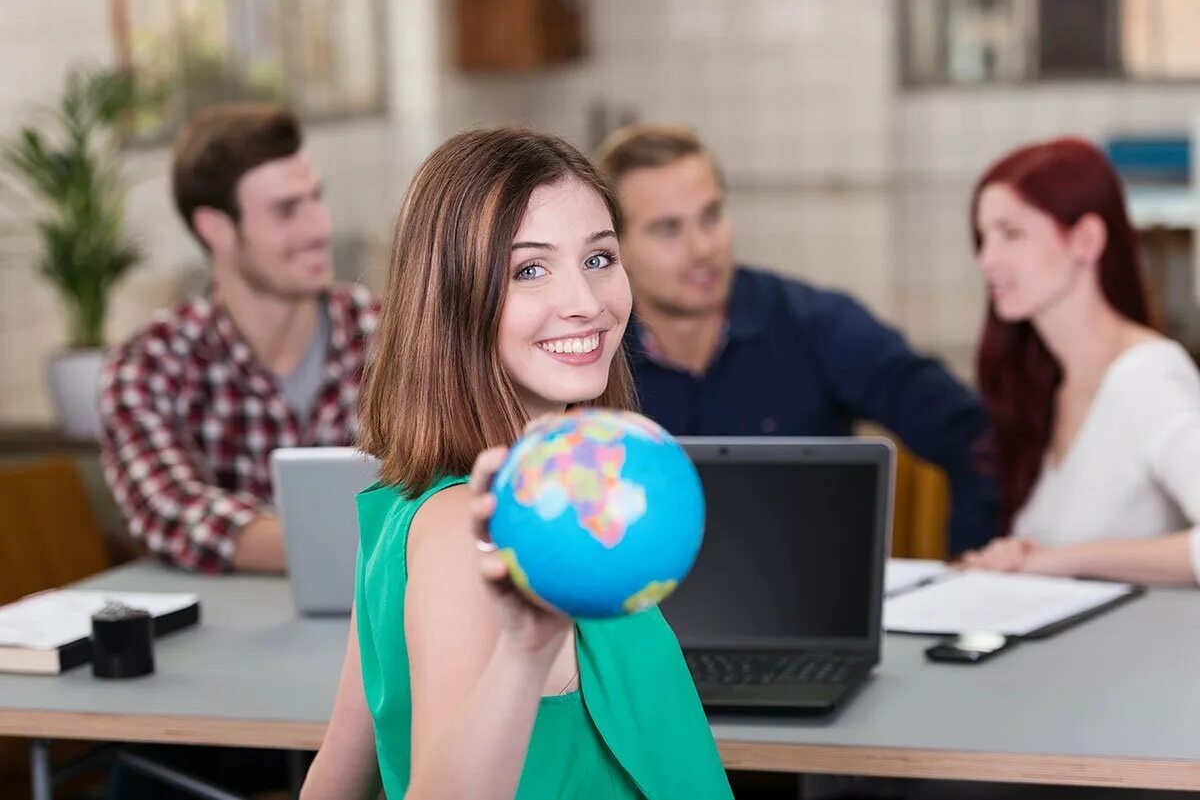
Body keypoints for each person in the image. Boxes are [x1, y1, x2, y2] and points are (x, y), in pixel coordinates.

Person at [301, 128, 733, 799]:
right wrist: (524, 656)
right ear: (453, 301)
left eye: (599, 258)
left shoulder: (419, 508)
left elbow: (336, 777)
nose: (587, 302)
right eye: (530, 269)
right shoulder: (460, 532)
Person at [594, 123, 997, 555]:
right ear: (620, 249)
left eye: (711, 216)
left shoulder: (817, 324)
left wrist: (971, 565)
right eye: (668, 230)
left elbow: (975, 437)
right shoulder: (590, 356)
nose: (702, 248)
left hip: (812, 611)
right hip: (641, 613)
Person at [99, 103, 377, 575]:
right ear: (216, 230)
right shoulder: (149, 367)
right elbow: (174, 513)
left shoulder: (392, 337)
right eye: (288, 210)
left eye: (316, 198)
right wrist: (388, 537)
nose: (321, 228)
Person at [959, 137, 1200, 585]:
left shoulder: (1147, 376)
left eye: (1011, 234)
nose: (986, 260)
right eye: (983, 237)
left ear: (1085, 240)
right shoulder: (1047, 384)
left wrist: (1061, 560)